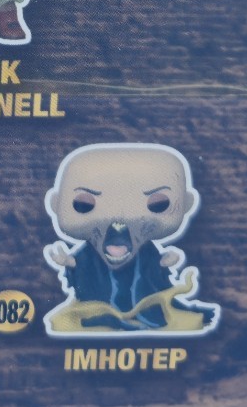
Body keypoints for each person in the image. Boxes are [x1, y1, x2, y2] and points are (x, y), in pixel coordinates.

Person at [42, 142, 218, 336]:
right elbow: (83, 264)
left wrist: (164, 262)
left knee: (154, 311)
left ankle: (140, 319)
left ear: (186, 203)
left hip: (141, 299)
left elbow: (153, 267)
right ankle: (112, 320)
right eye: (84, 204)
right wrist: (68, 262)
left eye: (158, 204)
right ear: (55, 204)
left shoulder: (146, 249)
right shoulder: (91, 252)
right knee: (94, 315)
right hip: (99, 301)